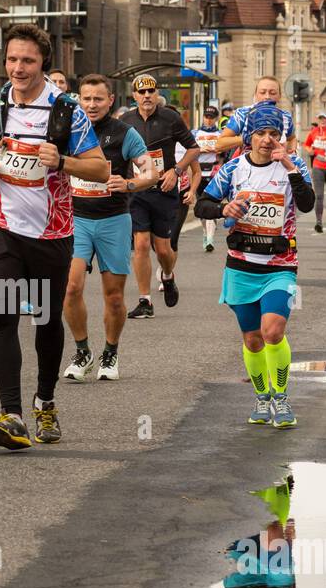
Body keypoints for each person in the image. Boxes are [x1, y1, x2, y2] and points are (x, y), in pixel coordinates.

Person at [0, 23, 107, 449]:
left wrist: (62, 161)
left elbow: (99, 168)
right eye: (11, 59)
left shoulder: (66, 110)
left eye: (26, 60)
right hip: (1, 227)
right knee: (3, 317)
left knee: (45, 318)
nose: (18, 68)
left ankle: (45, 401)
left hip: (51, 232)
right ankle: (12, 415)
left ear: (43, 62)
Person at [194, 105, 314, 428]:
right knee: (252, 339)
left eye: (273, 134)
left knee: (273, 331)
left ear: (281, 138)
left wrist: (289, 165)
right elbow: (200, 206)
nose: (266, 140)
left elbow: (307, 203)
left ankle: (282, 397)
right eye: (260, 134)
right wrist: (223, 207)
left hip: (281, 264)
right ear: (249, 137)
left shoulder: (293, 165)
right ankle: (262, 397)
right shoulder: (233, 169)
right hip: (241, 265)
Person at [62, 73, 153, 382]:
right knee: (71, 288)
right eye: (85, 98)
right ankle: (83, 350)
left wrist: (129, 183)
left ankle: (110, 352)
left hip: (114, 220)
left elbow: (151, 172)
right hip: (76, 220)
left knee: (113, 297)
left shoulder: (124, 133)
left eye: (98, 99)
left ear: (110, 101)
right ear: (78, 100)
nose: (91, 104)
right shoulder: (67, 131)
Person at [122, 74, 199, 318]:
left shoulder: (171, 118)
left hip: (164, 191)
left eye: (151, 91)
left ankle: (167, 275)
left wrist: (176, 172)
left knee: (163, 250)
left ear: (156, 94)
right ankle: (145, 300)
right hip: (137, 192)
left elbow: (193, 148)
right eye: (141, 92)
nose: (146, 96)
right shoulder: (125, 121)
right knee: (141, 244)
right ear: (134, 96)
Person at [215, 76, 297, 157]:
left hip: (277, 166)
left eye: (272, 93)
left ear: (279, 96)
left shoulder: (285, 117)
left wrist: (292, 153)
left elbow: (292, 138)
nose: (267, 96)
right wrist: (245, 138)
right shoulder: (243, 114)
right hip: (247, 167)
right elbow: (219, 144)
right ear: (255, 95)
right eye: (262, 92)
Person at [191, 104, 223, 250]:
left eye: (211, 118)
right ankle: (205, 232)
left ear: (216, 119)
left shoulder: (221, 134)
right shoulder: (195, 133)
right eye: (206, 117)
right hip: (198, 172)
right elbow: (188, 151)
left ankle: (210, 239)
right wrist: (199, 150)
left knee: (211, 203)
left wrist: (218, 150)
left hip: (213, 171)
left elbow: (227, 153)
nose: (208, 120)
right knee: (201, 207)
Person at [303, 111, 326, 233]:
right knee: (319, 196)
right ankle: (319, 222)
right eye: (320, 118)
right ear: (318, 120)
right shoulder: (314, 132)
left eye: (324, 118)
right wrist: (310, 150)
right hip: (317, 166)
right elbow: (306, 145)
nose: (322, 120)